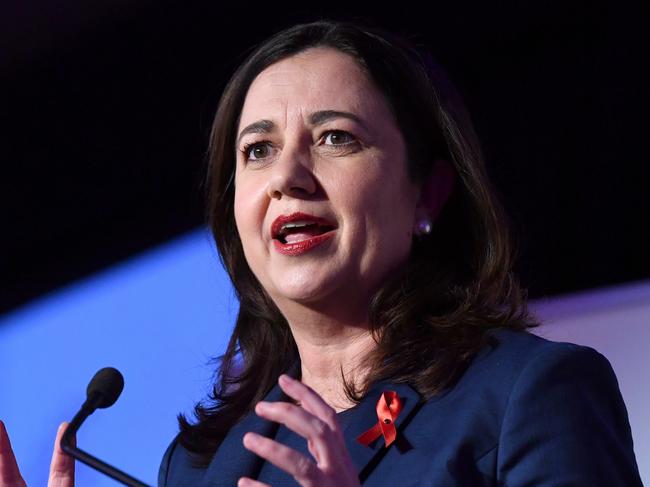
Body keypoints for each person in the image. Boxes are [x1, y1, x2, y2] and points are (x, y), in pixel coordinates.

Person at [0, 19, 643, 487]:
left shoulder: (531, 394)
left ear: (430, 194)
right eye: (257, 151)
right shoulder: (197, 465)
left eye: (335, 137)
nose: (288, 176)